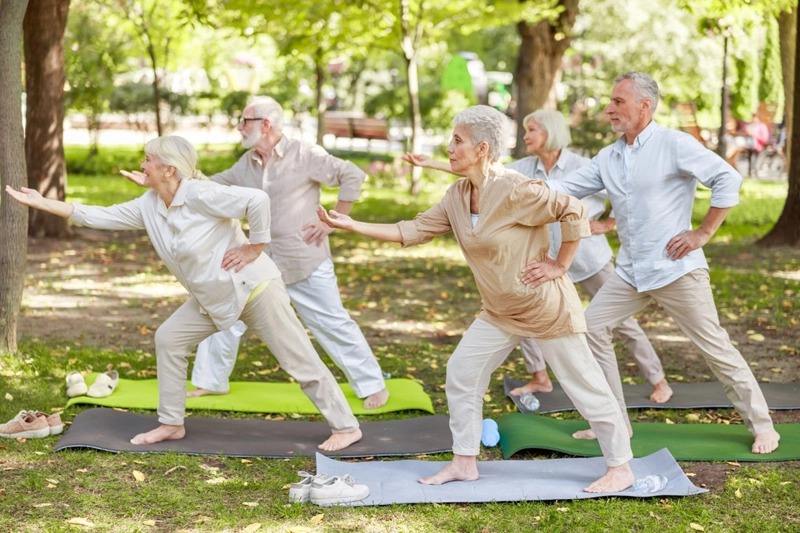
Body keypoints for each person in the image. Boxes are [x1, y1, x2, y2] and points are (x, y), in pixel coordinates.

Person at [318, 105, 635, 493]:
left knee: (584, 386)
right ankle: (464, 462)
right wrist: (351, 224)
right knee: (462, 374)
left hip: (544, 308)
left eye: (457, 140)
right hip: (500, 311)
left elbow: (573, 210)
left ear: (482, 148)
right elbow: (413, 229)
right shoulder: (457, 195)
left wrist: (559, 264)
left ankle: (621, 467)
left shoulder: (516, 188)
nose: (449, 148)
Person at [6, 136, 362, 451]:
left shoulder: (201, 194)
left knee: (298, 359)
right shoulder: (149, 205)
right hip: (214, 298)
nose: (142, 164)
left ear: (170, 169)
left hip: (253, 288)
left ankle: (346, 428)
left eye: (148, 159)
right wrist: (43, 202)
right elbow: (96, 215)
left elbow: (257, 200)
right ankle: (171, 423)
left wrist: (255, 247)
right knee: (169, 339)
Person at [548, 72, 780, 454]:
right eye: (610, 101)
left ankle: (762, 425)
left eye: (618, 102)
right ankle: (615, 422)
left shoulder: (674, 144)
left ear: (645, 106)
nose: (609, 108)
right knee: (590, 329)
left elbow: (727, 179)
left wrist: (702, 233)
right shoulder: (609, 156)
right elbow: (563, 188)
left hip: (677, 270)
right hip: (631, 273)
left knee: (715, 349)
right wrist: (499, 180)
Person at [127, 96, 389, 410]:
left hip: (303, 258)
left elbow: (353, 175)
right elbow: (212, 186)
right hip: (256, 261)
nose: (239, 127)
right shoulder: (247, 162)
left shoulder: (305, 154)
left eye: (244, 121)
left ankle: (372, 385)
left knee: (331, 322)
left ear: (265, 125)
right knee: (222, 311)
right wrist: (164, 179)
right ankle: (211, 381)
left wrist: (334, 223)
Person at [403, 110, 672, 403]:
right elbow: (484, 170)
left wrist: (607, 224)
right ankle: (539, 377)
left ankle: (658, 380)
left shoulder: (582, 165)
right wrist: (432, 164)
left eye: (532, 130)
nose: (526, 136)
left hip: (588, 259)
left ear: (550, 133)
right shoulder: (524, 168)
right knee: (524, 319)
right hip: (544, 263)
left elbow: (625, 195)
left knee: (619, 323)